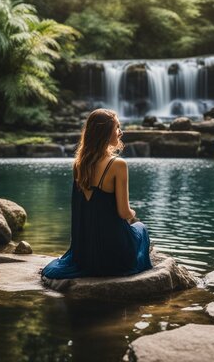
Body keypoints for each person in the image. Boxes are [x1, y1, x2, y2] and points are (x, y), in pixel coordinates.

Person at [40, 108, 152, 279]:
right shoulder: (117, 165)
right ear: (105, 133)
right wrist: (133, 213)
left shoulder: (79, 165)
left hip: (85, 255)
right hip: (113, 256)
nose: (120, 132)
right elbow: (123, 213)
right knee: (141, 228)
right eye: (117, 127)